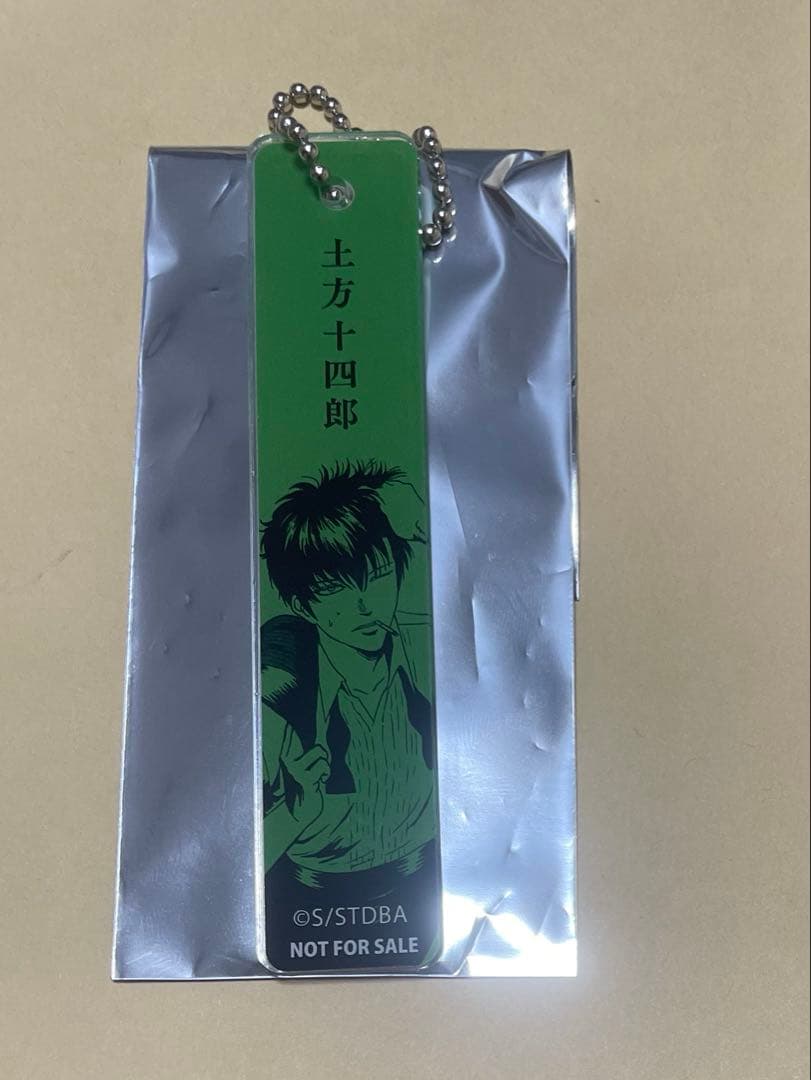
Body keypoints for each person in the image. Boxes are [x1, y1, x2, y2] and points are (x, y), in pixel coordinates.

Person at [259, 460, 438, 895]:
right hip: (310, 893)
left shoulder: (425, 646)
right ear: (301, 604)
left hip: (431, 879)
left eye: (378, 577)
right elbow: (237, 860)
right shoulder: (284, 680)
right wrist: (295, 813)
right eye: (334, 589)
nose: (365, 606)